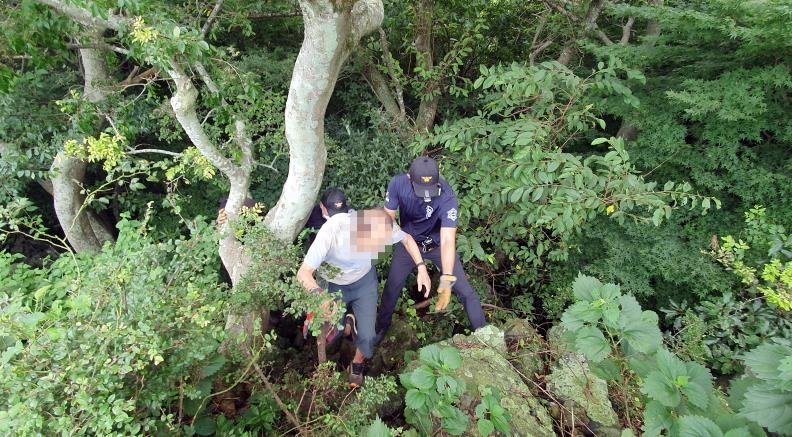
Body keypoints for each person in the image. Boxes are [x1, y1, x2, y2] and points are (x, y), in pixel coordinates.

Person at [297, 188, 431, 387]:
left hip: (364, 283)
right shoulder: (332, 230)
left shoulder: (381, 226)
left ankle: (357, 364)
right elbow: (303, 273)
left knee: (368, 337)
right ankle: (347, 325)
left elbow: (406, 238)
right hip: (335, 286)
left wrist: (421, 268)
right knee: (330, 335)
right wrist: (319, 294)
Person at [376, 157, 486, 339]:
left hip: (436, 246)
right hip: (408, 243)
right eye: (421, 190)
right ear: (409, 177)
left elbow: (448, 241)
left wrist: (446, 282)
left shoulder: (447, 197)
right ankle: (380, 329)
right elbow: (388, 220)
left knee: (466, 292)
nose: (427, 195)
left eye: (430, 189)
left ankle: (485, 337)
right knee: (392, 287)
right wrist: (412, 250)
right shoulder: (398, 184)